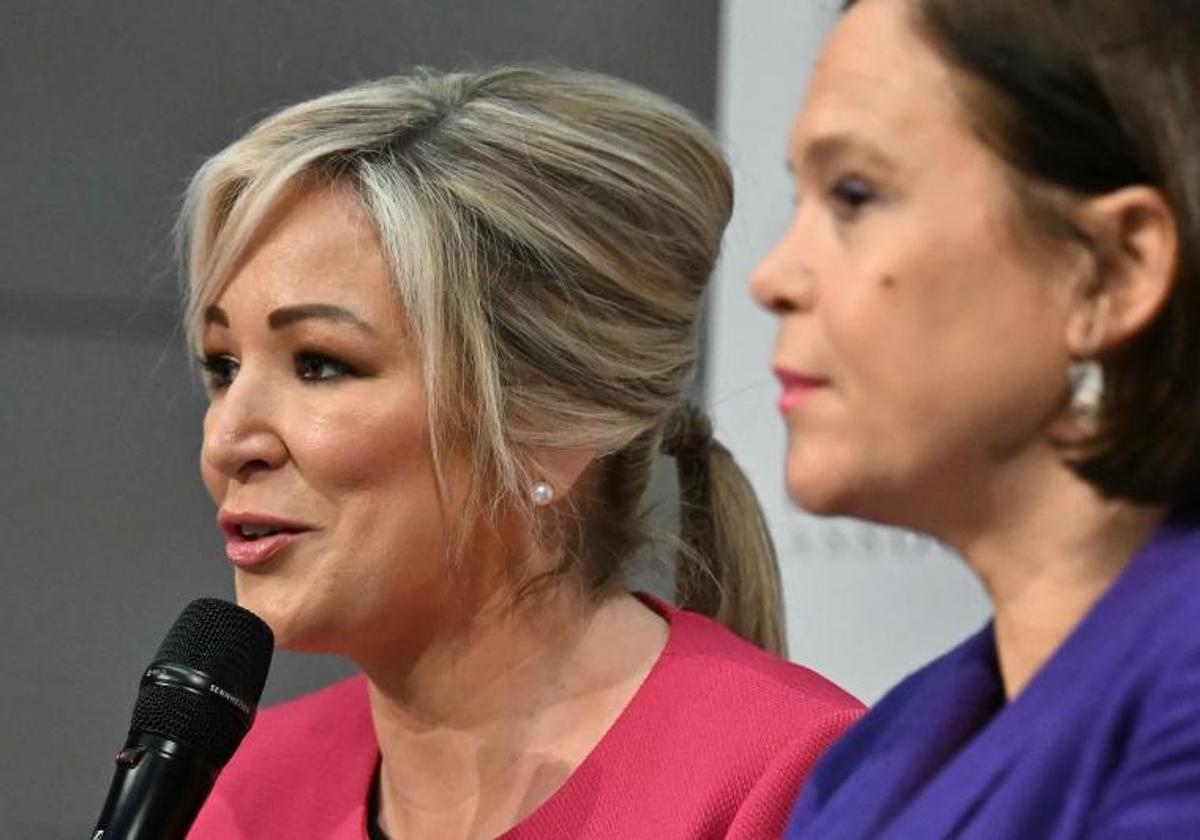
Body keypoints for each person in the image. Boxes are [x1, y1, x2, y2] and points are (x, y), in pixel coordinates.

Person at [179, 66, 862, 839]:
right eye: (222, 367)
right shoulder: (240, 789)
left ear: (549, 423)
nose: (228, 441)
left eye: (321, 364)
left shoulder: (797, 782)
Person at [750, 0, 1200, 836]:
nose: (772, 276)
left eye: (854, 195)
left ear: (1111, 272)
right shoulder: (866, 761)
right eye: (800, 198)